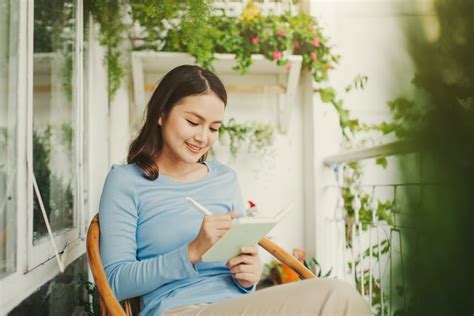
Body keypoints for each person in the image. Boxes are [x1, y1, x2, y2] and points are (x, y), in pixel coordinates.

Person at [99, 65, 370, 315]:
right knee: (337, 296)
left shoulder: (224, 179)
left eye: (214, 128)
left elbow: (240, 265)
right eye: (193, 122)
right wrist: (192, 251)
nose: (203, 137)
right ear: (161, 114)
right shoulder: (125, 181)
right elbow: (115, 282)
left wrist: (249, 275)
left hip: (236, 305)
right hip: (180, 309)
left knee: (340, 296)